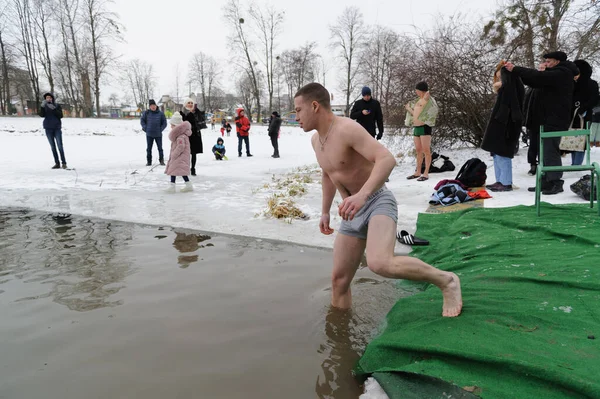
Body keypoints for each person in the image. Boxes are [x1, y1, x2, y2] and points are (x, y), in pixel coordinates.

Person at [293, 82, 462, 317]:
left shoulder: (347, 129)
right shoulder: (316, 141)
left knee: (380, 263)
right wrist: (324, 211)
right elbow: (328, 173)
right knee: (339, 280)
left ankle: (447, 281)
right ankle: (341, 334)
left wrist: (362, 196)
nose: (296, 116)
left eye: (298, 110)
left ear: (314, 106)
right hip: (351, 210)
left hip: (376, 200)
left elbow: (386, 159)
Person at [505, 51, 579, 195]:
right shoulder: (556, 74)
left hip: (554, 120)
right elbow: (535, 81)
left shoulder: (562, 73)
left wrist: (516, 69)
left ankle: (556, 182)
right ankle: (546, 181)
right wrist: (517, 73)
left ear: (557, 61)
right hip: (546, 120)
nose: (546, 64)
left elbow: (538, 77)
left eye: (549, 61)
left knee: (551, 152)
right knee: (544, 153)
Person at [482, 61, 525, 192]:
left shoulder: (511, 85)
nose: (499, 74)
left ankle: (505, 182)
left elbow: (510, 105)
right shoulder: (507, 87)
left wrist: (500, 119)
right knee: (497, 153)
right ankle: (500, 180)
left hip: (505, 125)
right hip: (502, 124)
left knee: (502, 152)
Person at [405, 81, 439, 182]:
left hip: (425, 127)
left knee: (426, 151)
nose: (416, 92)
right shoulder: (418, 101)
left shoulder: (426, 98)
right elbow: (415, 113)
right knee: (418, 151)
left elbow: (428, 95)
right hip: (416, 127)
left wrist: (426, 92)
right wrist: (408, 108)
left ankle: (426, 173)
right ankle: (418, 171)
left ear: (421, 90)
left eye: (417, 90)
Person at [570, 59, 599, 165]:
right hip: (574, 115)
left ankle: (576, 164)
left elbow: (594, 99)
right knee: (572, 140)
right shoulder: (573, 83)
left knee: (580, 140)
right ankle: (574, 163)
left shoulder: (591, 84)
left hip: (584, 115)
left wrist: (583, 108)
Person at [522, 62, 546, 176]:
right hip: (532, 121)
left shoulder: (547, 85)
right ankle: (533, 164)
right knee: (533, 145)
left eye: (543, 68)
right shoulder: (531, 87)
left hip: (544, 120)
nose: (541, 70)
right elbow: (526, 103)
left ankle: (542, 165)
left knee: (543, 145)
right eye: (539, 68)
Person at [164, 112, 193, 193]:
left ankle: (173, 186)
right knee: (178, 171)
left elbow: (181, 146)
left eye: (172, 125)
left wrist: (174, 154)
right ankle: (187, 185)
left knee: (175, 170)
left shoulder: (180, 136)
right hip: (180, 157)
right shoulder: (181, 135)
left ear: (176, 126)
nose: (171, 127)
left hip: (179, 157)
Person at [38, 92, 66, 169]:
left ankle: (64, 163)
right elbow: (41, 115)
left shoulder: (57, 105)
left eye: (50, 98)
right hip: (48, 128)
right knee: (53, 147)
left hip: (57, 128)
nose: (48, 99)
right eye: (47, 98)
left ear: (52, 98)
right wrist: (42, 107)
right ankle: (57, 163)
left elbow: (60, 115)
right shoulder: (44, 106)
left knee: (60, 146)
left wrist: (54, 109)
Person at [180, 98, 204, 176]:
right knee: (185, 153)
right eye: (188, 103)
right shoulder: (183, 113)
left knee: (193, 153)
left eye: (191, 103)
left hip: (195, 135)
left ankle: (193, 168)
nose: (190, 104)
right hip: (186, 135)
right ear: (185, 104)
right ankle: (185, 168)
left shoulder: (197, 112)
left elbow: (201, 121)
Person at [140, 99, 167, 166]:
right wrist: (145, 128)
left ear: (156, 105)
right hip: (149, 134)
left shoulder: (161, 113)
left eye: (154, 105)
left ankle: (161, 161)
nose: (153, 107)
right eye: (151, 105)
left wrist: (160, 129)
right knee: (149, 149)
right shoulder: (146, 113)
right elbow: (142, 121)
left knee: (160, 148)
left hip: (158, 134)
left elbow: (164, 123)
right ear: (149, 106)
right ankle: (149, 162)